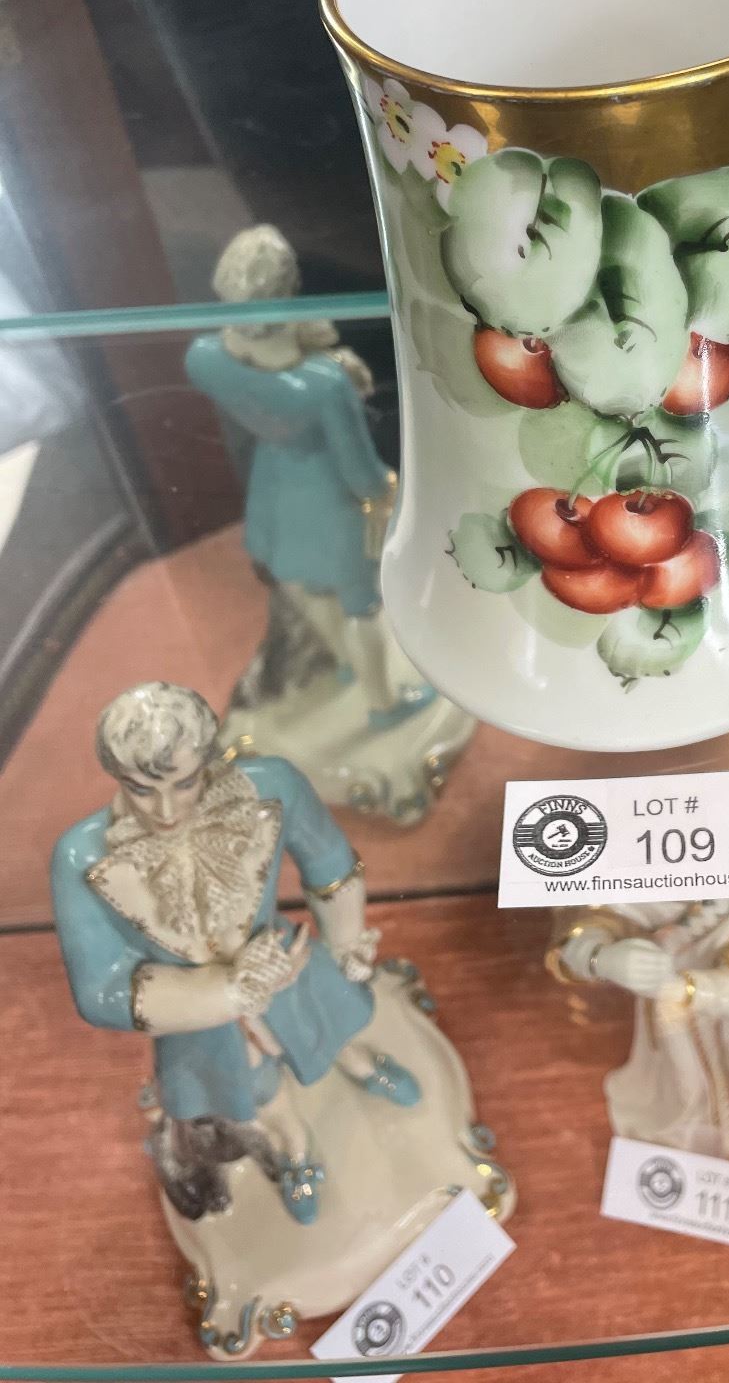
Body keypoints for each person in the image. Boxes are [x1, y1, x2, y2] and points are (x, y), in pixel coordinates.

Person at [50, 683, 419, 1226]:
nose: (167, 810)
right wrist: (229, 991)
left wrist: (346, 940)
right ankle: (292, 1144)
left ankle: (356, 1059)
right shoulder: (81, 856)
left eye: (185, 783)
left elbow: (329, 861)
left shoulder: (270, 787)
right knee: (253, 1086)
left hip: (283, 959)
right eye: (143, 790)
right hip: (199, 1013)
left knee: (326, 1018)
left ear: (208, 760)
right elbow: (99, 988)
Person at [186, 224, 429, 732]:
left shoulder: (205, 358)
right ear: (289, 289)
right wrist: (387, 489)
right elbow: (359, 470)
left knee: (309, 588)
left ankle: (344, 665)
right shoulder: (323, 383)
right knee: (359, 603)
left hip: (273, 482)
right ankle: (383, 705)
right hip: (329, 497)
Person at [549, 896, 729, 1166]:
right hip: (665, 1013)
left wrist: (686, 989)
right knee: (676, 1092)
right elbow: (590, 907)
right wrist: (600, 957)